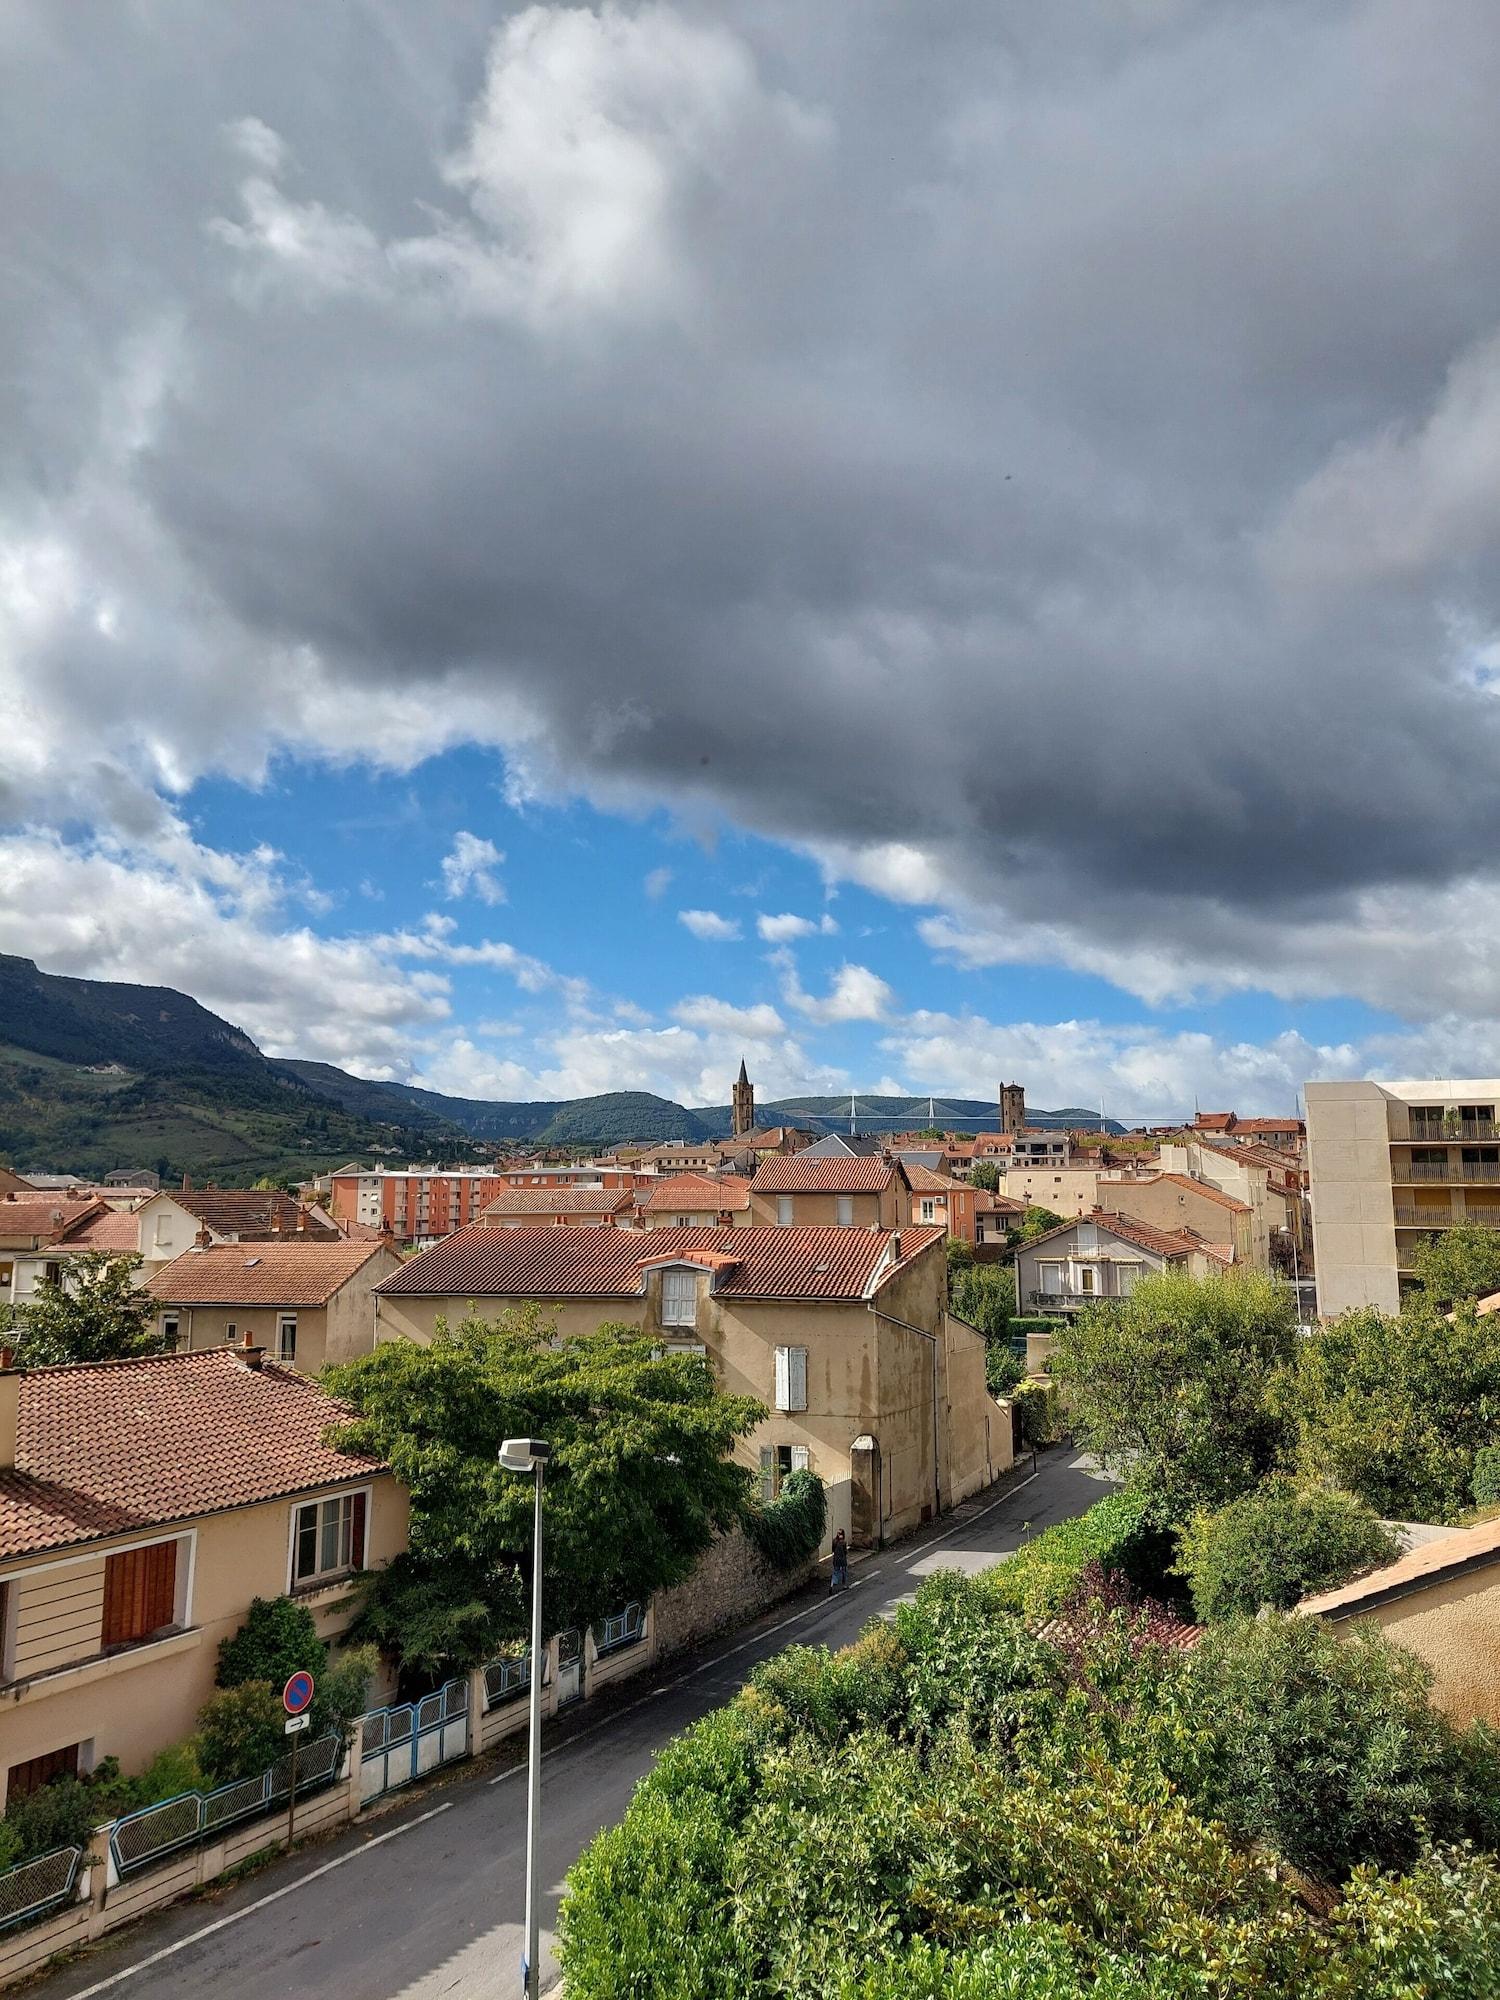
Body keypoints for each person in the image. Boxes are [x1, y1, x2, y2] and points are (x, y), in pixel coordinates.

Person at [829, 1528, 848, 1593]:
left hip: (836, 1559)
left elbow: (833, 1550)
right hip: (842, 1559)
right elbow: (845, 1551)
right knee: (844, 1572)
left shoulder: (834, 1541)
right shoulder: (843, 1542)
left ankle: (832, 1584)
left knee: (835, 1572)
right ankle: (844, 1585)